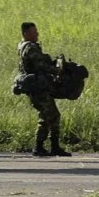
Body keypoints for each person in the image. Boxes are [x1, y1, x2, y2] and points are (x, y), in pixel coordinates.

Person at [18, 22, 69, 157]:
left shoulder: (26, 46)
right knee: (47, 115)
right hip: (37, 88)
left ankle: (53, 146)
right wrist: (56, 70)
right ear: (26, 34)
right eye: (34, 32)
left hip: (39, 86)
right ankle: (40, 147)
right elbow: (40, 65)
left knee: (52, 115)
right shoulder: (30, 48)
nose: (37, 34)